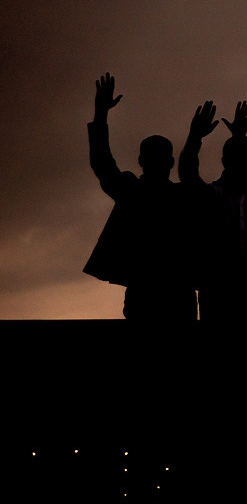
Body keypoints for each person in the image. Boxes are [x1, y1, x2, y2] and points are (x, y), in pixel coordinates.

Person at [84, 73, 197, 321]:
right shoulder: (182, 196)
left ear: (140, 161)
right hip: (175, 291)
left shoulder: (131, 191)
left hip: (148, 289)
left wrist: (101, 114)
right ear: (170, 162)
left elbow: (101, 162)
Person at [179, 99, 247, 321]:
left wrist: (196, 136)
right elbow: (187, 175)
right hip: (223, 287)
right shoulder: (216, 195)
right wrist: (195, 137)